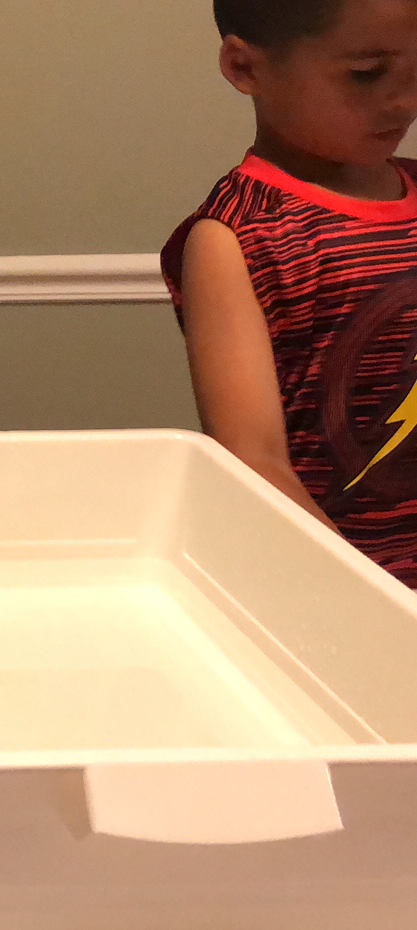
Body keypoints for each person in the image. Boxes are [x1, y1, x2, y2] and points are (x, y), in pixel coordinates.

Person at [163, 0, 417, 588]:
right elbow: (253, 459)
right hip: (341, 590)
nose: (405, 102)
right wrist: (372, 600)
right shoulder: (239, 236)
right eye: (366, 74)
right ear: (244, 67)